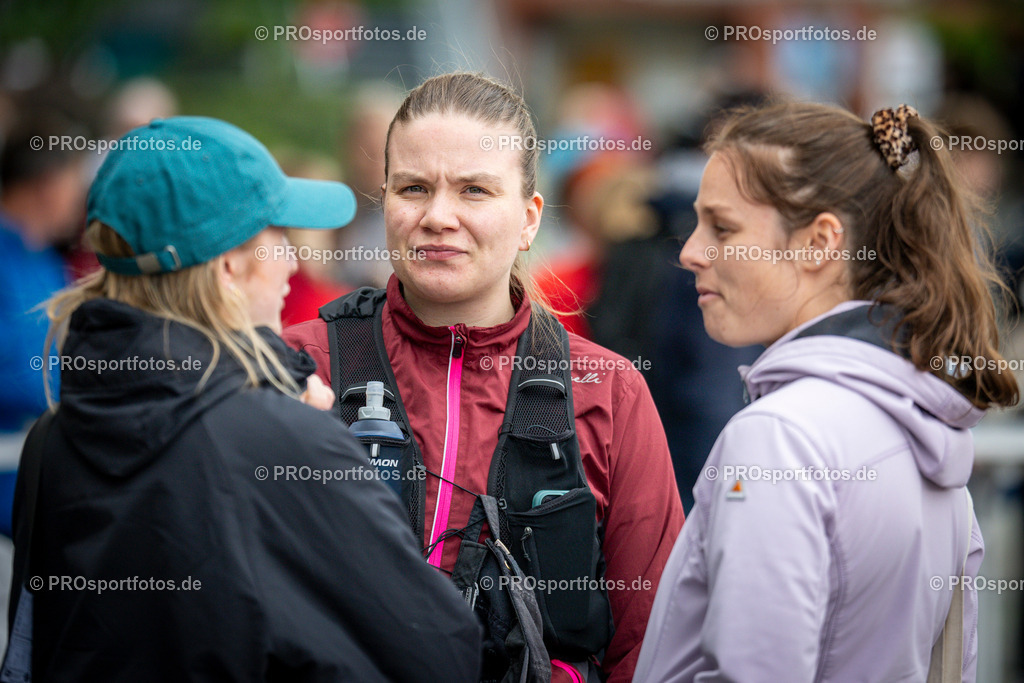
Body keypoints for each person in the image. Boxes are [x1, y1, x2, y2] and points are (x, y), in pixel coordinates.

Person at [8, 116, 482, 681]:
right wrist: (311, 442)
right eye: (278, 235)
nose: (292, 261)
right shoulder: (284, 440)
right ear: (229, 264)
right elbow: (438, 650)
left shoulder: (50, 441)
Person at [284, 72, 685, 683]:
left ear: (529, 219)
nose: (438, 216)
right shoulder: (297, 366)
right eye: (414, 187)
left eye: (474, 190)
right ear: (383, 198)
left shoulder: (610, 391)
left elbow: (653, 641)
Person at [633, 101, 1019, 682]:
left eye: (723, 227)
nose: (690, 252)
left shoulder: (778, 438)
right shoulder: (930, 431)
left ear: (819, 243)